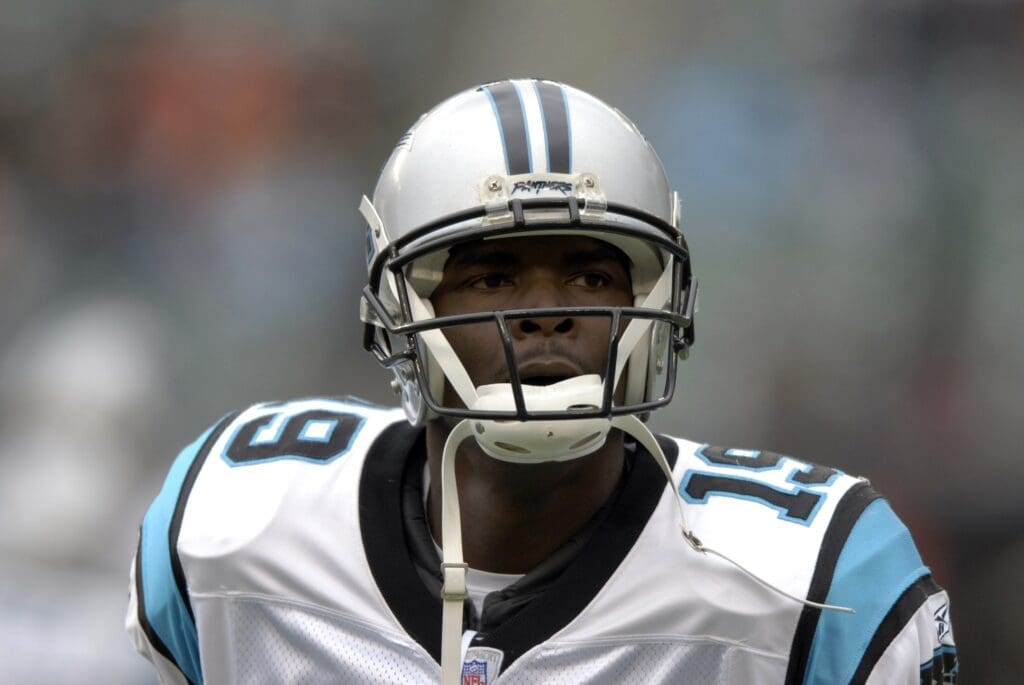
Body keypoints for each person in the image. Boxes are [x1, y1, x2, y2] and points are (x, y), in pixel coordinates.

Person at [127, 79, 958, 684]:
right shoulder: (232, 526)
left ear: (656, 305)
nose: (545, 314)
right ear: (399, 310)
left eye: (593, 277)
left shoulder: (815, 581)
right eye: (491, 277)